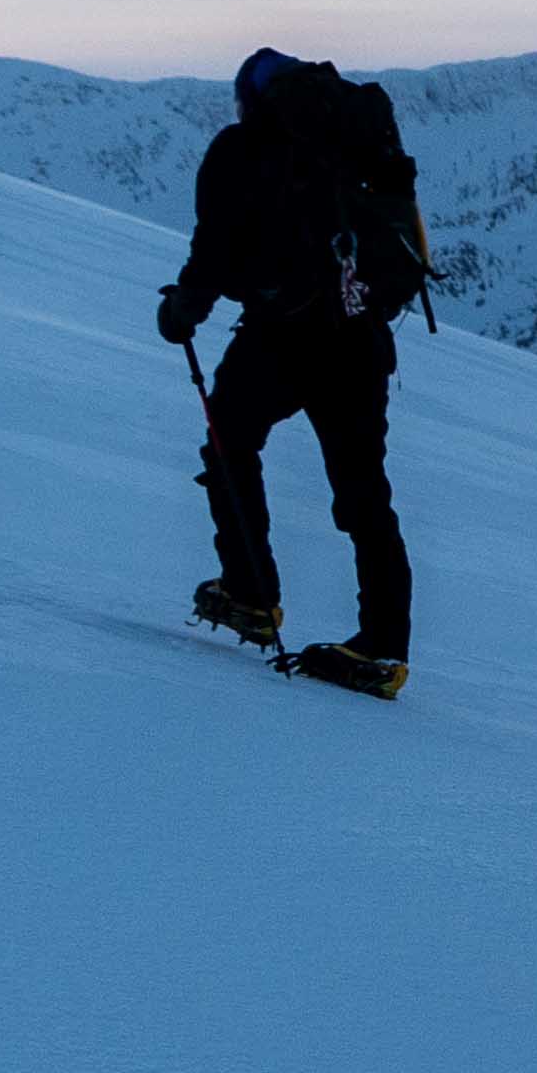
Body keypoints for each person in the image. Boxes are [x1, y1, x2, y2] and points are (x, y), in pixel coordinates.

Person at [160, 47, 426, 697]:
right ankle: (384, 648)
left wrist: (183, 310)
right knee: (365, 495)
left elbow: (214, 248)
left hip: (282, 335)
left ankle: (251, 591)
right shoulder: (358, 144)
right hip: (360, 338)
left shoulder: (242, 148)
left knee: (230, 442)